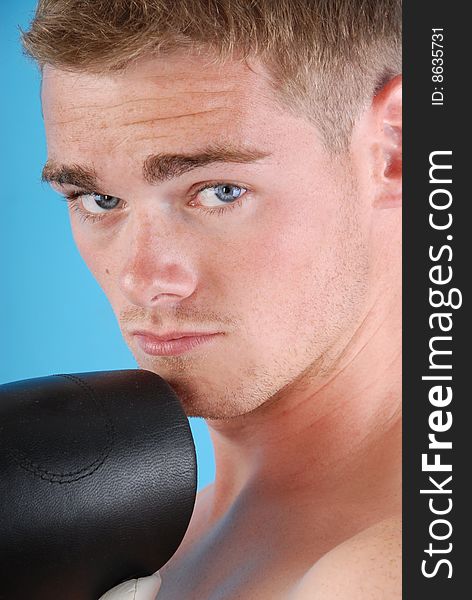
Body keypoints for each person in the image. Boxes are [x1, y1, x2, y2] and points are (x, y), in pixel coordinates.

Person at [22, 1, 402, 598]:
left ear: (394, 146)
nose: (143, 278)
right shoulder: (145, 547)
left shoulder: (387, 571)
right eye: (97, 200)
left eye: (219, 191)